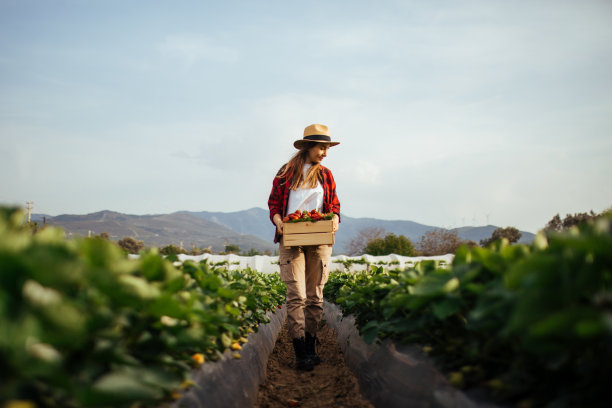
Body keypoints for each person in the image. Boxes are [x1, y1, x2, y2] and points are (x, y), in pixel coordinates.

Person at [268, 123, 341, 371]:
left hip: (319, 239)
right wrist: (279, 222)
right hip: (292, 238)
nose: (325, 153)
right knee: (296, 296)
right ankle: (301, 352)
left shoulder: (326, 175)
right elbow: (274, 206)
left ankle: (311, 348)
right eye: (322, 147)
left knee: (315, 297)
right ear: (309, 146)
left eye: (327, 148)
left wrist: (335, 221)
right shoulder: (286, 173)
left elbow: (334, 208)